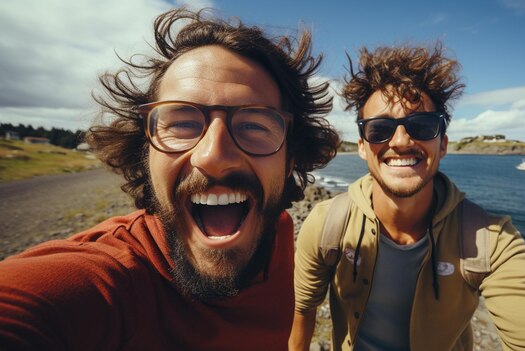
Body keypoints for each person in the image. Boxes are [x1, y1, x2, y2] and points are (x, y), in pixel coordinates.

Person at [0, 8, 339, 351]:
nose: (213, 156)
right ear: (145, 153)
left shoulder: (277, 230)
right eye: (182, 123)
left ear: (289, 160)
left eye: (254, 125)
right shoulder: (108, 282)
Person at [289, 44, 525, 350]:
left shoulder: (490, 240)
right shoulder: (328, 223)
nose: (401, 141)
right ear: (361, 146)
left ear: (443, 144)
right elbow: (302, 310)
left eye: (421, 126)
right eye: (380, 128)